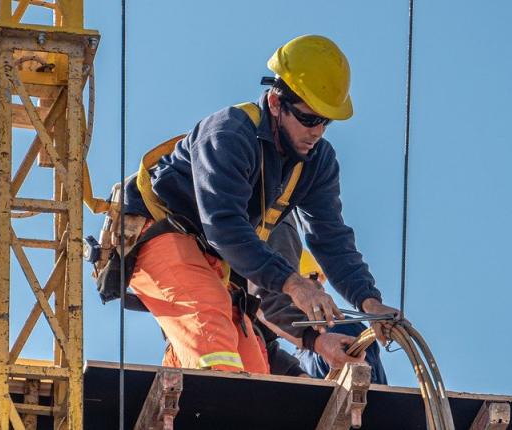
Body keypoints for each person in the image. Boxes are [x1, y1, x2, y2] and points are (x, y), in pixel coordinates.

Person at [121, 34, 400, 374]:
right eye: (309, 119)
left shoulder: (317, 162)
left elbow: (333, 241)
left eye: (326, 121)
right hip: (161, 233)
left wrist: (367, 302)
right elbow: (224, 226)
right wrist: (295, 284)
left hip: (217, 263)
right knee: (211, 334)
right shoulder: (229, 133)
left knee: (255, 369)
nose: (318, 132)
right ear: (276, 104)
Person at [254, 215, 387, 383]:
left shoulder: (343, 330)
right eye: (313, 280)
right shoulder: (305, 351)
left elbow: (366, 388)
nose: (320, 288)